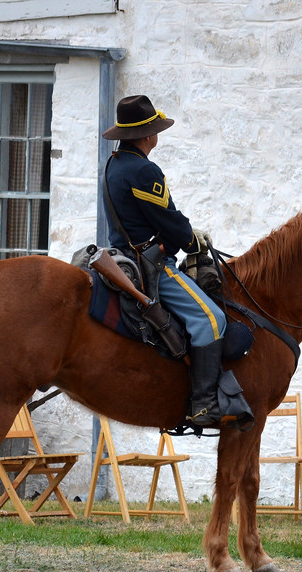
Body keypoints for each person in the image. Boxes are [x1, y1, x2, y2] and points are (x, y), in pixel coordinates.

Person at [102, 95, 226, 428]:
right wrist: (191, 239)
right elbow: (168, 220)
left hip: (124, 254)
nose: (157, 134)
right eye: (155, 129)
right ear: (147, 136)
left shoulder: (115, 163)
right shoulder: (144, 169)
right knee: (211, 320)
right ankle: (202, 405)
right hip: (150, 266)